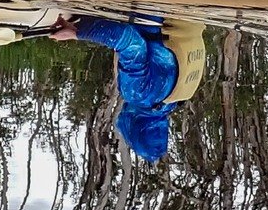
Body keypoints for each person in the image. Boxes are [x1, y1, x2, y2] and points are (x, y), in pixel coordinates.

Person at [49, 13, 206, 162]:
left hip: (187, 16)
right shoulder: (139, 94)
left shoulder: (180, 96)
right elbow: (128, 40)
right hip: (159, 9)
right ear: (133, 130)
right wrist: (77, 32)